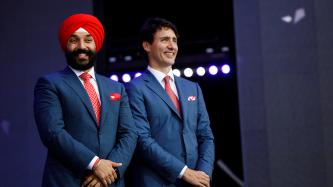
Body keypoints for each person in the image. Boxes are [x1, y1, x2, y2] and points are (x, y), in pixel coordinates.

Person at [33, 13, 137, 187]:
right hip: (67, 181)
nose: (82, 46)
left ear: (97, 44)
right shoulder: (49, 84)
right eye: (74, 40)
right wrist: (95, 163)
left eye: (88, 40)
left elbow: (129, 134)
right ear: (65, 45)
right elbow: (53, 133)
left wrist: (111, 171)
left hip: (110, 182)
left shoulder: (116, 87)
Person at [125, 17, 215, 187]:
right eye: (164, 40)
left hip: (196, 181)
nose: (172, 46)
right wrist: (183, 172)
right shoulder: (134, 88)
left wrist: (204, 173)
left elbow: (206, 135)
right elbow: (142, 140)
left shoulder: (192, 88)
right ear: (147, 46)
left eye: (174, 40)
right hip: (156, 181)